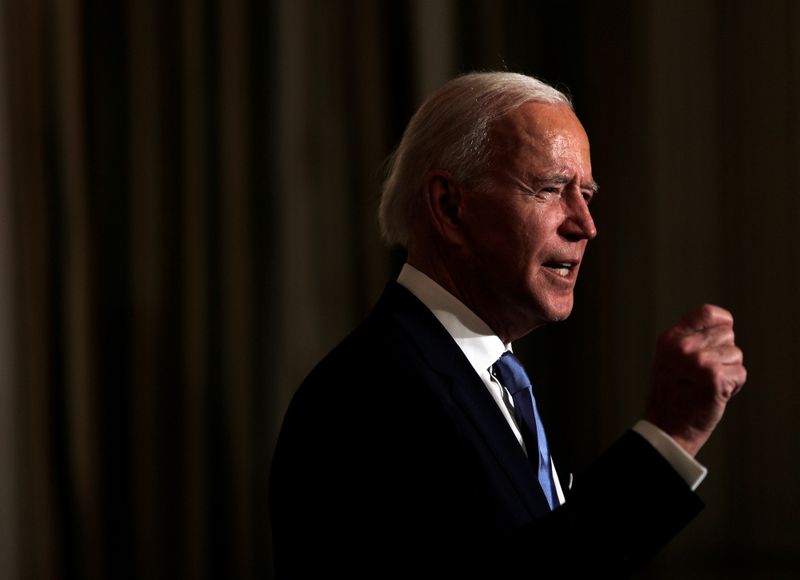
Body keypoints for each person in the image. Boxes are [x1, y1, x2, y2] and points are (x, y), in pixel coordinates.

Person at [269, 71, 747, 578]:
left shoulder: (491, 375)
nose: (585, 225)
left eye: (586, 193)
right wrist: (669, 436)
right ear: (450, 207)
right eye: (550, 189)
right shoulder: (371, 392)